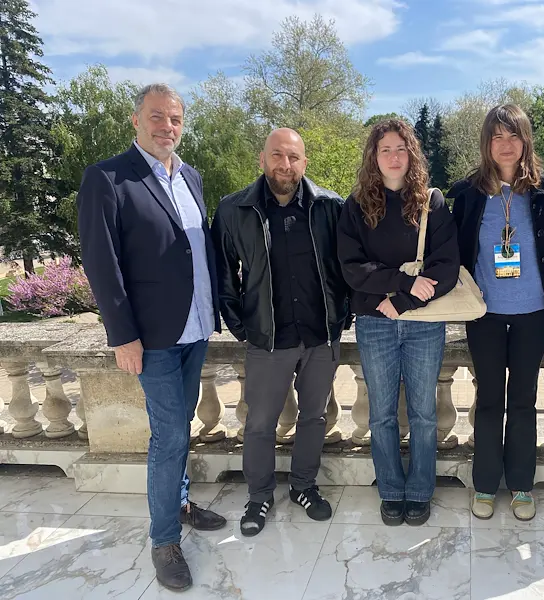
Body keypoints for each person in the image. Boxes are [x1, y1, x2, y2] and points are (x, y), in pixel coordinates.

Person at [77, 83, 226, 592]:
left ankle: (179, 503)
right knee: (169, 435)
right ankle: (164, 541)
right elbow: (102, 262)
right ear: (136, 120)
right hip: (152, 336)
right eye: (157, 117)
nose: (168, 127)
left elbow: (196, 251)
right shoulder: (108, 178)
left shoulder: (191, 176)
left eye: (175, 119)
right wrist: (123, 336)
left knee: (180, 424)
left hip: (196, 327)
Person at [211, 129, 349, 538]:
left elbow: (346, 267)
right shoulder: (234, 209)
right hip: (268, 339)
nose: (284, 165)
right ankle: (259, 496)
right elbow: (223, 273)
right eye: (277, 156)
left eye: (293, 157)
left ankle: (304, 486)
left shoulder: (330, 206)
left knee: (314, 417)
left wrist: (341, 317)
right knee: (259, 423)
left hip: (320, 337)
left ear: (304, 162)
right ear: (263, 159)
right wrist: (241, 325)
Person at [337, 119, 460, 526]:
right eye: (385, 149)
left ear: (412, 154)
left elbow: (446, 267)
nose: (393, 157)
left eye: (401, 149)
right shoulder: (356, 206)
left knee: (423, 413)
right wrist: (402, 284)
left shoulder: (431, 203)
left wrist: (402, 302)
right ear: (374, 156)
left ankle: (420, 490)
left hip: (424, 321)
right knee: (382, 414)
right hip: (374, 322)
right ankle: (390, 489)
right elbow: (352, 268)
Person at [449, 104, 544, 522]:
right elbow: (455, 251)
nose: (506, 144)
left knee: (524, 400)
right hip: (486, 314)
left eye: (513, 135)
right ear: (487, 143)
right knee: (489, 399)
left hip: (534, 313)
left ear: (525, 140)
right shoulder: (468, 192)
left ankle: (521, 484)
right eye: (497, 136)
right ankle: (484, 483)